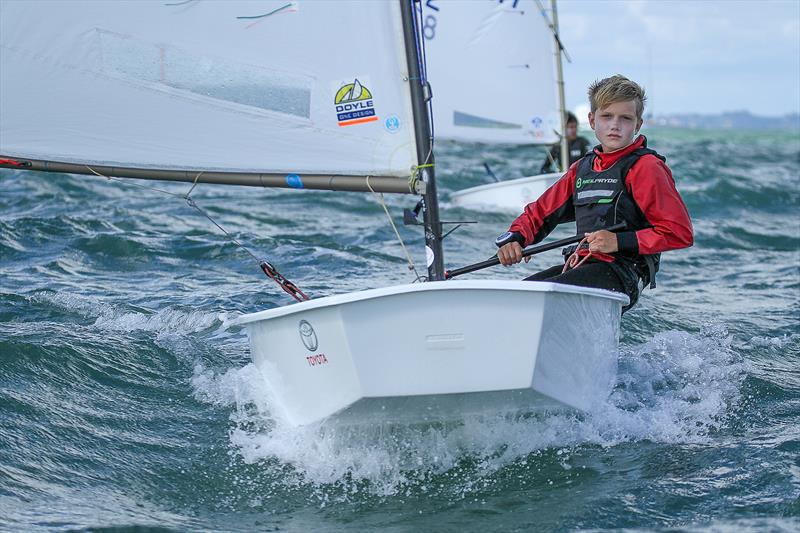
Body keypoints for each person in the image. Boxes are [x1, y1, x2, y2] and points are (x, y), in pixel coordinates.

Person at [494, 75, 693, 312]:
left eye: (626, 118)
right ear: (592, 120)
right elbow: (541, 212)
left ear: (638, 125)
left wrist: (618, 241)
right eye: (607, 116)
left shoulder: (646, 168)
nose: (615, 125)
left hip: (622, 274)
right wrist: (516, 238)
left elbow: (679, 232)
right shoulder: (582, 169)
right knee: (515, 297)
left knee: (533, 302)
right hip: (583, 265)